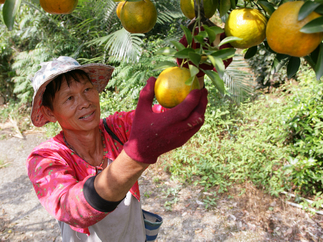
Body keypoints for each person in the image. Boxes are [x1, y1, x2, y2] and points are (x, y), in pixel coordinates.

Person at [26, 56, 208, 241]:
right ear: (50, 112)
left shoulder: (116, 128)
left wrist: (194, 72)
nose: (85, 102)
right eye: (69, 98)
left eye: (87, 89)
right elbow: (71, 208)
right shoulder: (46, 158)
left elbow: (170, 116)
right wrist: (136, 156)